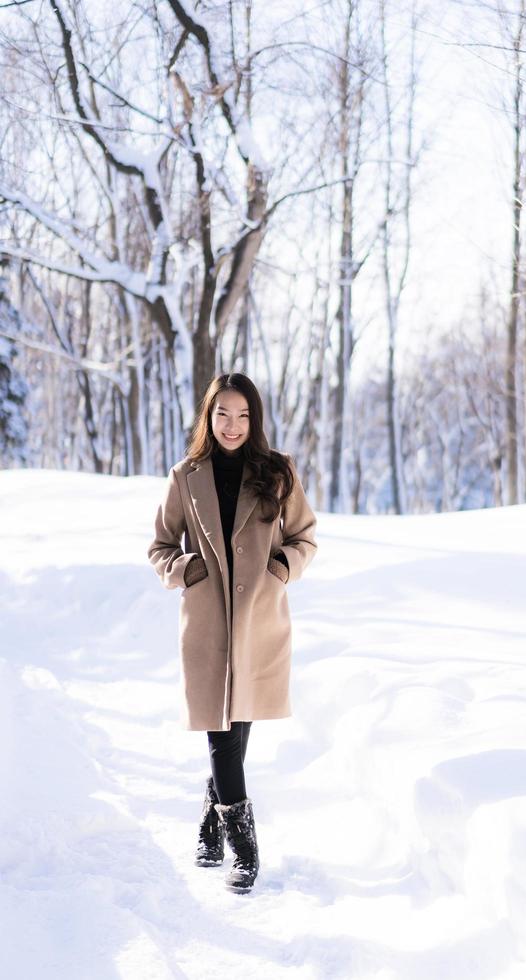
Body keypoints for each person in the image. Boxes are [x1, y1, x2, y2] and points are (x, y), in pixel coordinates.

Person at [147, 372, 318, 893]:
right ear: (209, 416)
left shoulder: (278, 472)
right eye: (223, 413)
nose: (233, 424)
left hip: (260, 623)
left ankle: (209, 824)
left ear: (255, 420)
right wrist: (185, 570)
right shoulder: (185, 476)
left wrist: (281, 568)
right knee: (221, 737)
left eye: (243, 415)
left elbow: (305, 536)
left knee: (236, 731)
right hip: (206, 627)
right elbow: (159, 546)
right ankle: (245, 849)